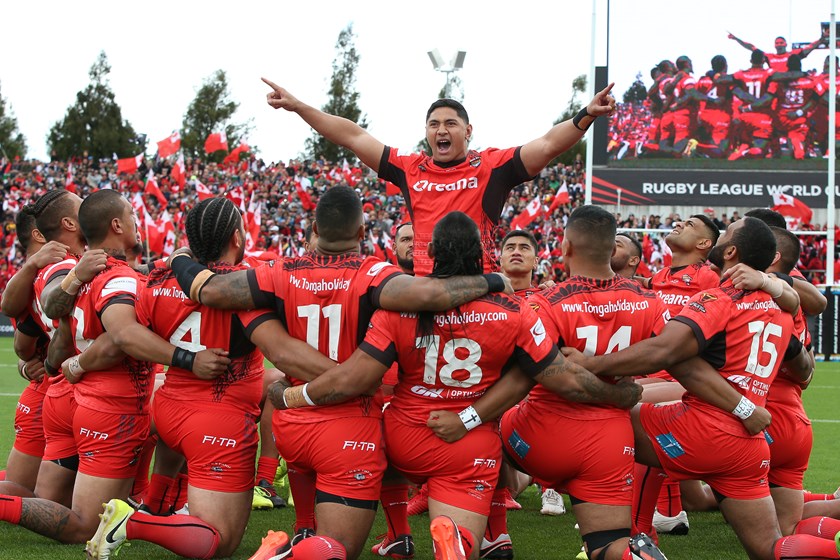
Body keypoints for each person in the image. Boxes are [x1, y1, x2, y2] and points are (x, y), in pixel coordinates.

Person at [269, 211, 642, 560]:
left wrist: (292, 396)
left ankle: (386, 532)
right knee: (461, 535)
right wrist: (616, 394)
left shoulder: (399, 307)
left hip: (405, 437)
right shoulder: (515, 308)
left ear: (430, 252)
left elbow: (356, 378)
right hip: (469, 442)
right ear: (483, 256)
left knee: (368, 447)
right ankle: (456, 544)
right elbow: (555, 376)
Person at [167, 186, 513, 560]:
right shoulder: (374, 273)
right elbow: (432, 296)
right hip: (350, 422)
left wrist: (180, 257)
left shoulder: (279, 271)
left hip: (291, 421)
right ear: (363, 233)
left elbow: (213, 291)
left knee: (315, 519)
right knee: (338, 548)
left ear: (314, 226)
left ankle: (295, 537)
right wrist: (492, 281)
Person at [565, 217, 838, 560]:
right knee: (772, 547)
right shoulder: (780, 306)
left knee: (607, 422)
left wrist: (588, 364)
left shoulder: (717, 296)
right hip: (750, 443)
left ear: (731, 250)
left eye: (724, 235)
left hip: (707, 428)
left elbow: (663, 351)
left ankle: (628, 538)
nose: (719, 237)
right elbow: (804, 368)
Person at [83, 197, 332, 559]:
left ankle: (155, 506)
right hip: (218, 419)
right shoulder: (246, 282)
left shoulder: (156, 277)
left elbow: (129, 334)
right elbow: (278, 342)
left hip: (168, 407)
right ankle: (132, 521)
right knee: (221, 542)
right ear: (236, 237)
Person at [260, 76, 616, 276]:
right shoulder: (409, 168)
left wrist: (587, 114)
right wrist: (299, 107)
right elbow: (353, 136)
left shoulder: (492, 166)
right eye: (434, 124)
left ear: (468, 130)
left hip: (480, 285)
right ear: (427, 133)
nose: (441, 130)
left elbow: (550, 143)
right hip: (426, 287)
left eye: (450, 123)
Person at [488, 206, 671, 560]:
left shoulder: (544, 301)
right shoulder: (649, 300)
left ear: (566, 246)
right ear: (611, 251)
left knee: (482, 435)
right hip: (609, 444)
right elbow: (679, 356)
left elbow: (537, 375)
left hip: (539, 434)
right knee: (609, 547)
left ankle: (491, 535)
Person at [728, 33, 824, 72]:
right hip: (775, 86)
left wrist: (821, 39)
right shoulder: (769, 56)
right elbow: (751, 47)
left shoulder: (793, 54)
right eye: (777, 43)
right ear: (774, 45)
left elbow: (810, 47)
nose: (779, 44)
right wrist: (736, 39)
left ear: (785, 44)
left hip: (790, 83)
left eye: (781, 43)